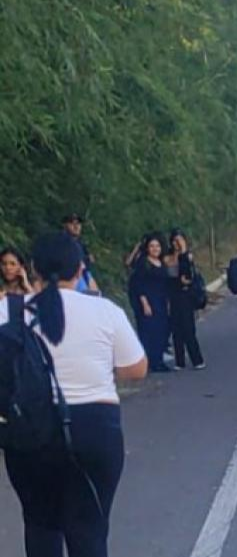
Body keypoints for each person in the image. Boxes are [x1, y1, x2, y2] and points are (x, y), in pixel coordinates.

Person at [1, 231, 147, 557]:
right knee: (89, 529)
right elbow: (136, 368)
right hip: (96, 429)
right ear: (80, 268)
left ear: (33, 268)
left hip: (30, 430)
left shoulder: (8, 311)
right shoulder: (105, 310)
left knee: (40, 525)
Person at [130, 233, 171, 372]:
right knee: (148, 332)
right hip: (148, 301)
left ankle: (158, 360)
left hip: (161, 301)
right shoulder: (143, 263)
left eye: (157, 246)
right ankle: (149, 362)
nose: (155, 249)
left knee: (161, 330)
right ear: (147, 248)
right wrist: (145, 303)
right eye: (152, 246)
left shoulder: (162, 263)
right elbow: (139, 284)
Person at [165, 230, 205, 369]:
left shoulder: (187, 256)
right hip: (173, 295)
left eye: (180, 240)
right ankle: (179, 361)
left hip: (186, 295)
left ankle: (197, 360)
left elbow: (187, 276)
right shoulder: (167, 257)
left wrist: (183, 252)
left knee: (188, 328)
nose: (177, 243)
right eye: (174, 240)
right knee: (176, 330)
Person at [61, 214, 99, 294]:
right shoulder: (62, 242)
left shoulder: (80, 243)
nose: (76, 226)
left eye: (78, 223)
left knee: (96, 294)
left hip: (84, 273)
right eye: (72, 223)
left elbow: (87, 261)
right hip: (72, 276)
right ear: (65, 225)